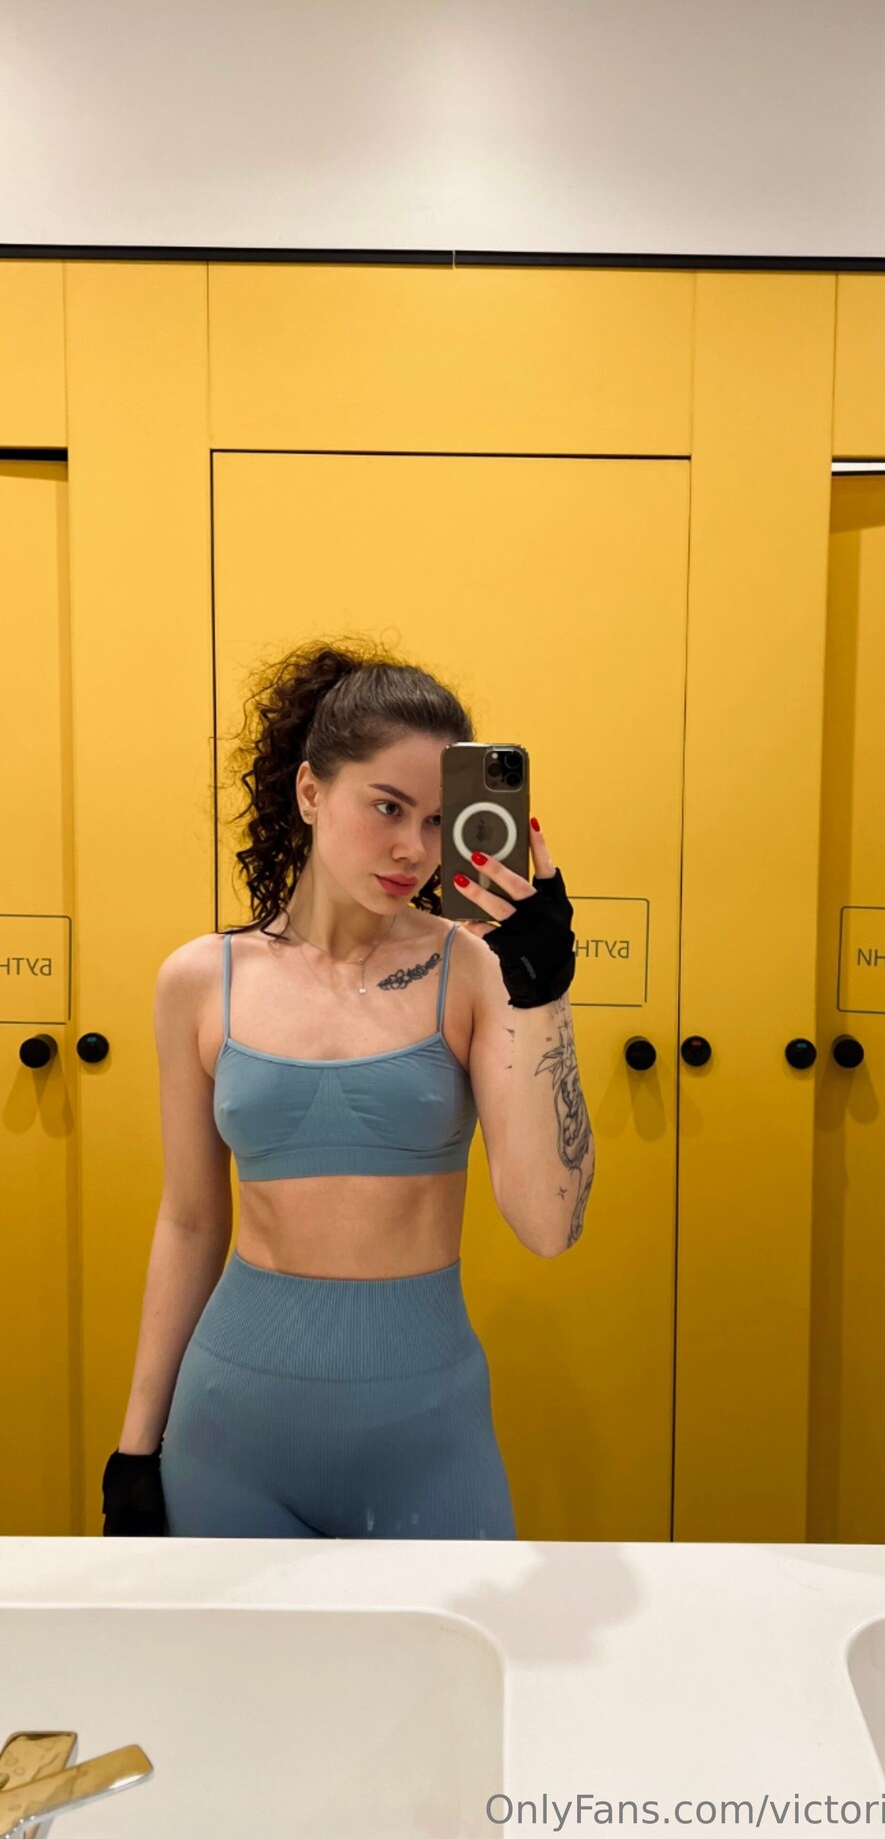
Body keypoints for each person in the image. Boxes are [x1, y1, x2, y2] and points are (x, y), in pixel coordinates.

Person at [101, 637, 581, 1539]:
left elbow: (549, 1226)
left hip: (429, 1438)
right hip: (229, 1432)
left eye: (439, 822)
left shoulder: (475, 969)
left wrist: (544, 991)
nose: (413, 849)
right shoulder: (200, 980)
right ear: (312, 792)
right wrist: (136, 1447)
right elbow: (191, 1222)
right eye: (388, 807)